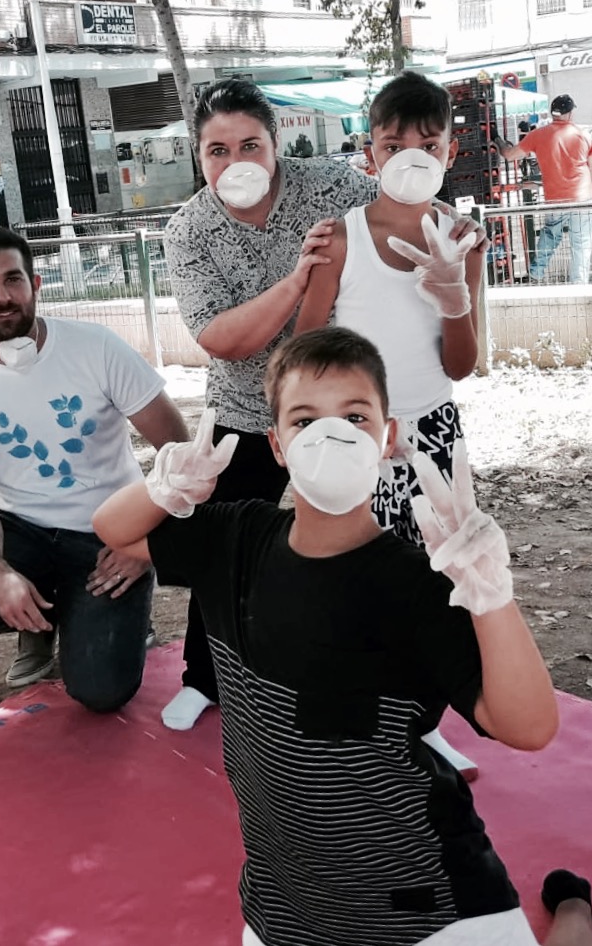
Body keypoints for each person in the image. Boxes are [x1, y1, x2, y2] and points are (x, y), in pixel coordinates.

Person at [94, 328, 592, 946]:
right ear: (277, 445)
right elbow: (115, 531)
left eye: (354, 416)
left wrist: (493, 597)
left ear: (387, 437)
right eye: (305, 420)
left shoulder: (417, 582)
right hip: (285, 900)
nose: (330, 436)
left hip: (425, 900)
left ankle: (574, 910)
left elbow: (529, 727)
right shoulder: (233, 538)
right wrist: (163, 488)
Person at [158, 78, 378, 733]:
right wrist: (297, 281)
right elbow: (221, 339)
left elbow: (401, 219)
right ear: (199, 157)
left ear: (275, 143)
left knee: (355, 540)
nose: (236, 163)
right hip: (243, 410)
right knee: (222, 544)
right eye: (218, 151)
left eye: (249, 145)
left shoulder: (332, 186)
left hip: (338, 404)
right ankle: (203, 677)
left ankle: (363, 675)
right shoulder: (187, 230)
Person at [295, 70, 486, 778]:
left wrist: (454, 298)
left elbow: (461, 364)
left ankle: (421, 723)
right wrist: (344, 426)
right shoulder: (340, 239)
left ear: (448, 151)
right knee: (353, 578)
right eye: (392, 143)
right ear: (368, 152)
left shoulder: (461, 237)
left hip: (433, 430)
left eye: (428, 144)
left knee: (436, 579)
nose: (411, 157)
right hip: (355, 436)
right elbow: (307, 345)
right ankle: (356, 722)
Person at [0, 225, 189, 710]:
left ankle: (96, 612)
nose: (2, 297)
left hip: (110, 531)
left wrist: (147, 545)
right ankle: (39, 619)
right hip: (19, 532)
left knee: (101, 692)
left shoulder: (97, 347)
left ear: (35, 284)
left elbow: (178, 450)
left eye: (13, 279)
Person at [499, 95, 592, 285]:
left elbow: (509, 155)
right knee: (581, 244)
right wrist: (591, 195)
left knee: (550, 236)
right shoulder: (584, 136)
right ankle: (579, 284)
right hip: (582, 198)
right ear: (570, 113)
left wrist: (497, 139)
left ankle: (536, 275)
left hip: (555, 199)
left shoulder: (538, 135)